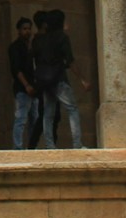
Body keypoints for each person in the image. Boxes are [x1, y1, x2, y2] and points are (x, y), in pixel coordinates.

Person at [33, 8, 89, 149]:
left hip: (45, 81)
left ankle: (49, 145)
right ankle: (77, 144)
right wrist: (82, 79)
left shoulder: (40, 39)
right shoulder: (62, 37)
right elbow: (70, 60)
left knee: (48, 113)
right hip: (58, 79)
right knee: (72, 109)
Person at [8, 17, 38, 149]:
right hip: (22, 89)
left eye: (29, 29)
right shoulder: (15, 47)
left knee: (34, 119)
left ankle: (31, 147)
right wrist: (26, 85)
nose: (27, 31)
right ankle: (18, 147)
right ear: (19, 31)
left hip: (34, 89)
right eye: (24, 29)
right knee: (21, 119)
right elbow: (16, 69)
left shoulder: (31, 47)